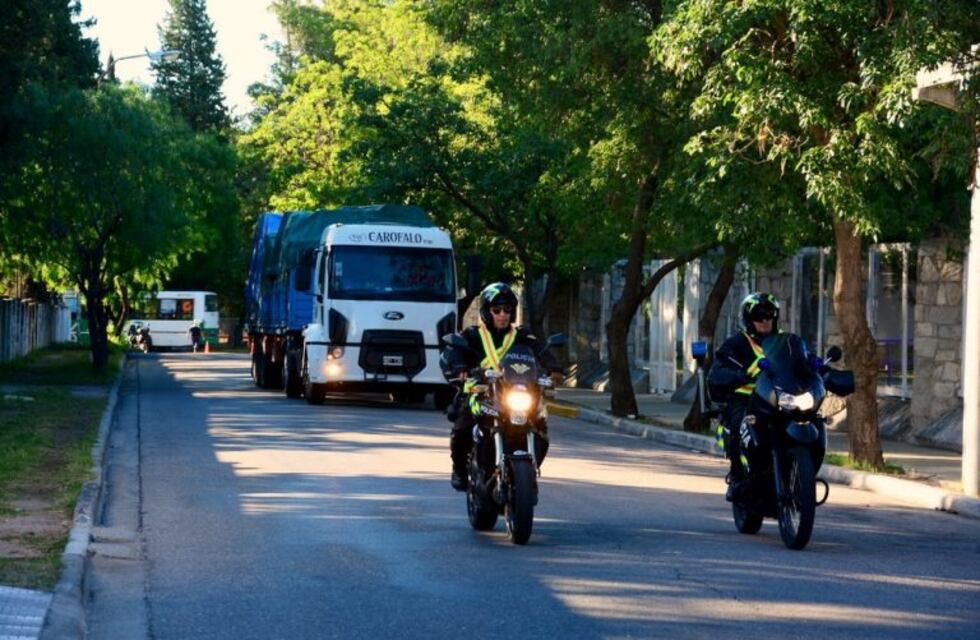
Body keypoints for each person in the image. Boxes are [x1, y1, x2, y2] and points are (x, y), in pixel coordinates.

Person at [440, 282, 563, 491]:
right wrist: (459, 367)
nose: (503, 315)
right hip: (483, 394)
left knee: (540, 427)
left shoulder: (522, 336)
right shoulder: (472, 335)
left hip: (516, 393)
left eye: (507, 310)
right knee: (463, 426)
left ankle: (528, 474)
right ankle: (459, 469)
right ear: (487, 312)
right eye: (497, 310)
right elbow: (452, 353)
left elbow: (541, 351)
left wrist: (554, 369)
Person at [708, 292, 819, 501]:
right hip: (747, 398)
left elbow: (803, 358)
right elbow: (718, 371)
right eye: (759, 315)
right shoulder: (737, 343)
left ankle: (802, 472)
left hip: (780, 396)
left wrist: (816, 364)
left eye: (769, 314)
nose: (765, 320)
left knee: (814, 417)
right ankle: (737, 476)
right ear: (749, 319)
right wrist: (740, 374)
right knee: (741, 424)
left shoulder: (788, 341)